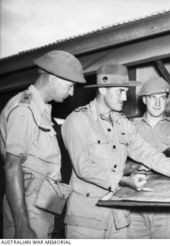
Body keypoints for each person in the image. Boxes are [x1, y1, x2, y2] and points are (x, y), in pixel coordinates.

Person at [61, 64, 170, 239]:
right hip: (88, 219)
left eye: (125, 91)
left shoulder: (122, 123)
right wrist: (124, 180)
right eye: (120, 91)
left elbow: (146, 151)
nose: (125, 97)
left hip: (118, 219)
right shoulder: (78, 120)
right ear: (103, 89)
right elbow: (84, 167)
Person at [0, 50, 86, 238]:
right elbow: (12, 166)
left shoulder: (41, 110)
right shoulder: (25, 109)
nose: (72, 93)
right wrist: (22, 226)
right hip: (27, 213)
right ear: (54, 79)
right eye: (70, 86)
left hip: (40, 207)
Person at [127, 76, 170, 239]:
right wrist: (135, 167)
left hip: (169, 204)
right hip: (135, 201)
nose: (157, 103)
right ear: (144, 99)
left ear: (167, 100)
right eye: (152, 98)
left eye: (162, 98)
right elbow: (117, 164)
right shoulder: (130, 127)